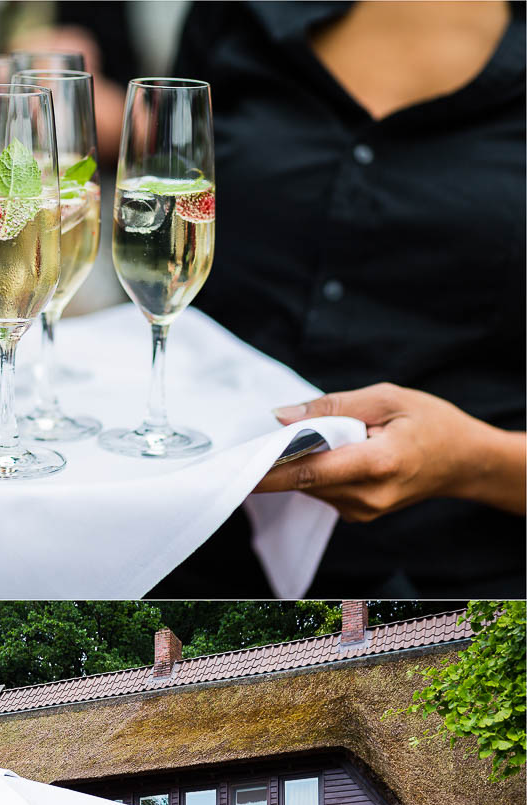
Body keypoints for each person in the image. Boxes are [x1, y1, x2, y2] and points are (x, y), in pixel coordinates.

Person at [160, 1, 525, 598]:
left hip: (458, 577)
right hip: (189, 534)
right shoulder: (234, 17)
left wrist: (474, 460)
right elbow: (165, 219)